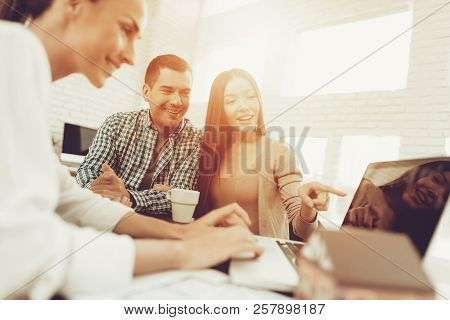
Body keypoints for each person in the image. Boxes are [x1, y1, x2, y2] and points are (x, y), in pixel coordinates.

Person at [0, 0, 261, 299]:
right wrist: (181, 251)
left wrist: (182, 232)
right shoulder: (14, 46)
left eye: (185, 92)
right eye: (126, 29)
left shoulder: (24, 67)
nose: (131, 55)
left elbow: (70, 197)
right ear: (73, 4)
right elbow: (23, 251)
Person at [194, 69, 346, 240]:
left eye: (251, 97)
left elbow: (304, 231)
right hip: (211, 253)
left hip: (260, 258)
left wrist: (308, 205)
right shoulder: (207, 152)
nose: (244, 106)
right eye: (231, 101)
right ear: (219, 109)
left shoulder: (278, 152)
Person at [75, 54, 202, 216]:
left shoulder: (195, 139)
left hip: (158, 229)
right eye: (167, 90)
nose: (177, 101)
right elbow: (88, 171)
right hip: (105, 216)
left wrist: (128, 196)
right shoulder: (116, 124)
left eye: (185, 93)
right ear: (146, 92)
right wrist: (98, 190)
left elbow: (180, 199)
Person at [344, 160, 450, 255]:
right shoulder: (365, 190)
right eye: (437, 180)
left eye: (445, 196)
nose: (435, 193)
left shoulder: (415, 241)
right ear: (417, 172)